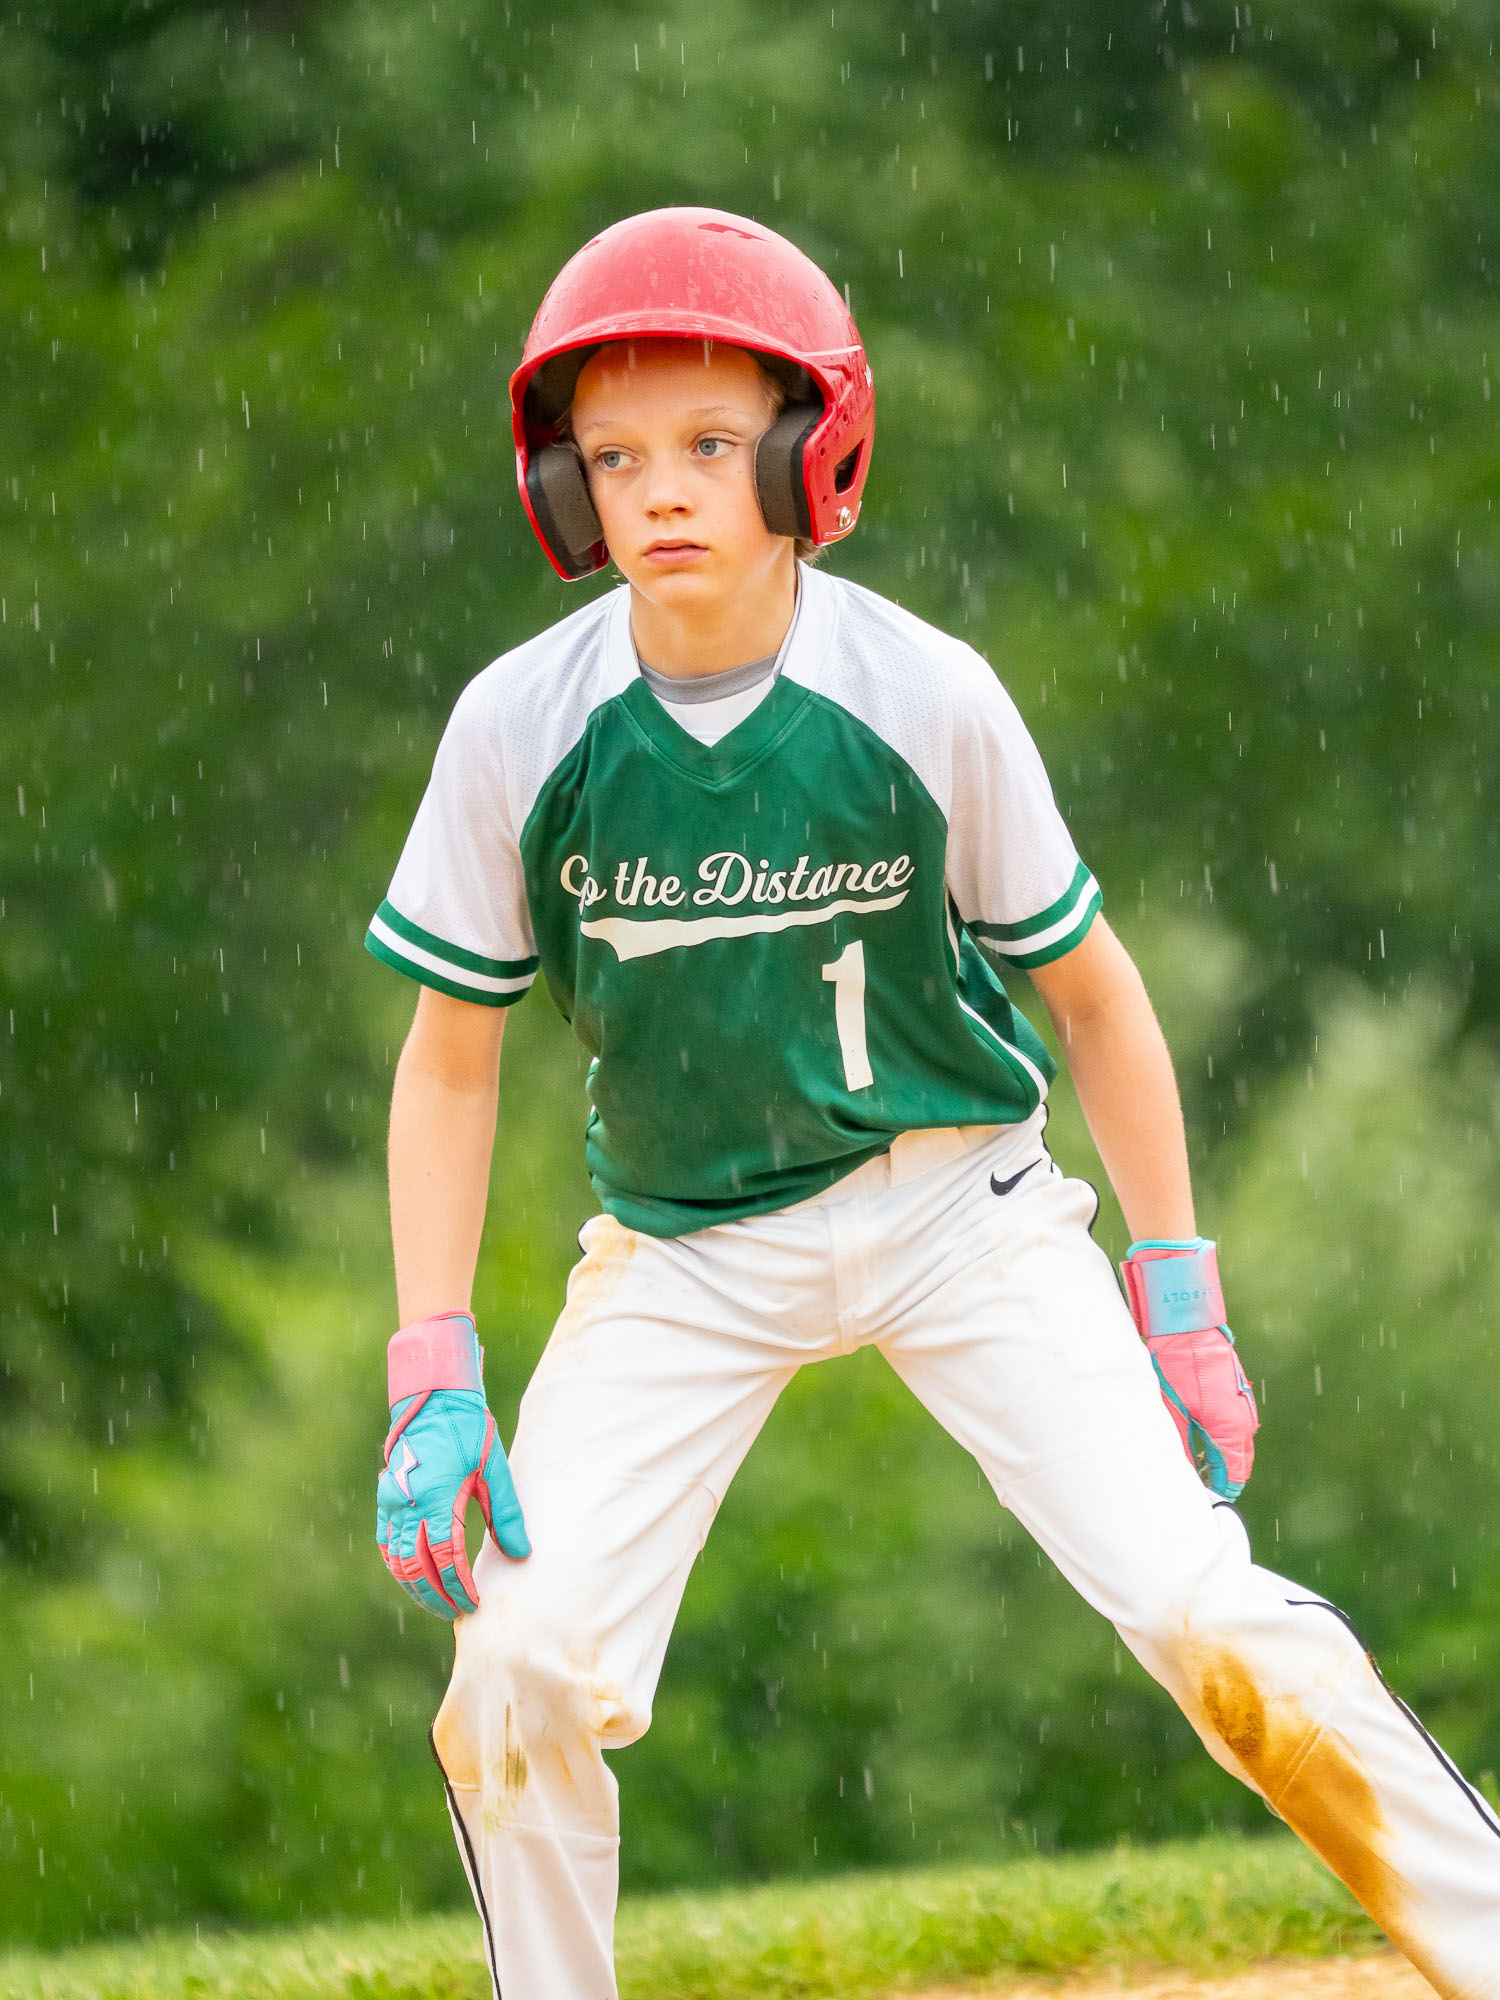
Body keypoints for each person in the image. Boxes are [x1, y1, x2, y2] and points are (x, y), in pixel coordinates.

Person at [367, 208, 1500, 1999]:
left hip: (954, 1210)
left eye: (714, 447)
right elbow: (448, 1054)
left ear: (818, 450)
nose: (660, 491)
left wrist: (1177, 1280)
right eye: (615, 456)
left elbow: (1097, 999)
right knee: (511, 1672)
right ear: (563, 491)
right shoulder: (520, 726)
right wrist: (432, 1358)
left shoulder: (919, 692)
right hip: (680, 1253)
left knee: (1214, 1620)